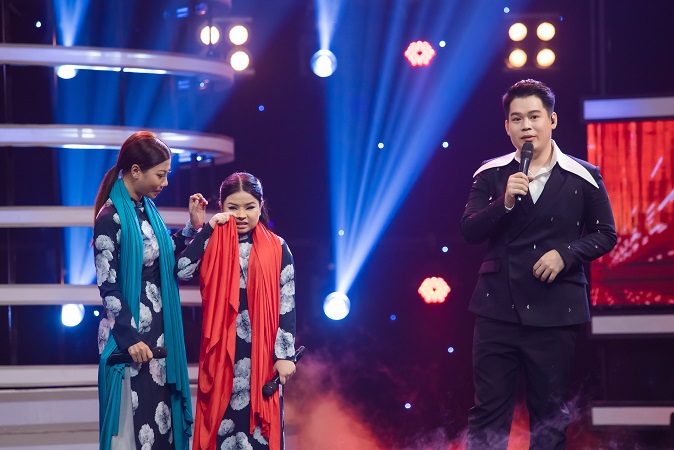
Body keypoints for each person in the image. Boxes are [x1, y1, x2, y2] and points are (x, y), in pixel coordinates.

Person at [460, 79, 617, 449]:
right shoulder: (491, 173)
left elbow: (606, 234)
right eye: (517, 119)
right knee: (488, 414)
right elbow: (469, 230)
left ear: (552, 120)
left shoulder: (583, 175)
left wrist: (565, 255)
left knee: (548, 415)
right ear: (507, 127)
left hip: (554, 310)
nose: (526, 126)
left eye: (534, 117)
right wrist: (503, 203)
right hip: (497, 309)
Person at [94, 131, 207, 449]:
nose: (165, 182)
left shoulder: (146, 211)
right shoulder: (110, 218)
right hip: (129, 341)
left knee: (160, 430)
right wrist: (130, 339)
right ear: (135, 171)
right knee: (132, 434)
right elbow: (108, 285)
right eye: (161, 174)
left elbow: (162, 255)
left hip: (158, 337)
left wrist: (192, 228)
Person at [174, 172, 297, 450]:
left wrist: (285, 355)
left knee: (260, 435)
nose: (241, 215)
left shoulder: (278, 247)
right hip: (221, 354)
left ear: (261, 206)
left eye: (249, 207)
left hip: (262, 356)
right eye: (233, 207)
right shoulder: (212, 241)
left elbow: (287, 303)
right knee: (219, 429)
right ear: (221, 207)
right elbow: (181, 270)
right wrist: (206, 228)